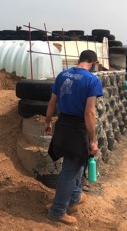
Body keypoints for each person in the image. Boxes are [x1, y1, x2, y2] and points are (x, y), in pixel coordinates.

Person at [44, 50, 103, 226]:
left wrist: (47, 123)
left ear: (80, 60)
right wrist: (92, 139)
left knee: (77, 162)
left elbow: (52, 102)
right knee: (70, 170)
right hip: (78, 128)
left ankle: (75, 197)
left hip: (62, 124)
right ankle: (58, 211)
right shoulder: (92, 80)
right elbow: (89, 112)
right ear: (92, 62)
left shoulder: (63, 75)